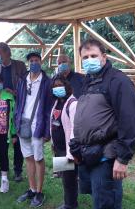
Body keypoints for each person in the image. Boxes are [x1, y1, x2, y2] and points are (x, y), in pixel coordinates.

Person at [72, 39, 135, 209]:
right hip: (89, 153)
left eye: (93, 55)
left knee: (107, 202)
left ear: (104, 57)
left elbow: (131, 120)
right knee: (98, 199)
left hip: (107, 156)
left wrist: (122, 158)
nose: (89, 60)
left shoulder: (118, 81)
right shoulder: (88, 81)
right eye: (85, 57)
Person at [15, 52, 52, 207]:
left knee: (38, 158)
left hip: (38, 125)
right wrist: (16, 122)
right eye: (31, 61)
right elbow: (18, 101)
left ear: (41, 62)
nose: (34, 63)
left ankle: (39, 191)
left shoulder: (47, 82)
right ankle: (31, 188)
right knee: (28, 157)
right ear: (28, 63)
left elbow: (49, 107)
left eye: (36, 60)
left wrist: (47, 131)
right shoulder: (23, 80)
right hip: (23, 124)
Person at [0, 42, 27, 182]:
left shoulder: (19, 66)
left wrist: (16, 92)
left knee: (17, 139)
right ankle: (3, 168)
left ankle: (18, 170)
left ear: (7, 53)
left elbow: (26, 85)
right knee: (1, 140)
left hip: (17, 106)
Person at [50, 76, 78, 209]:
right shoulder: (57, 102)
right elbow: (54, 123)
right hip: (58, 147)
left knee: (70, 179)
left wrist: (71, 153)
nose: (57, 88)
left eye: (60, 85)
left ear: (66, 86)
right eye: (54, 86)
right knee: (64, 178)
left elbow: (74, 128)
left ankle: (71, 204)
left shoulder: (72, 103)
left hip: (68, 150)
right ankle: (68, 202)